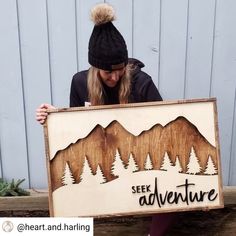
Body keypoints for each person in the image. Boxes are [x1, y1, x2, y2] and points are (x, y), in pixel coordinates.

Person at [36, 3, 175, 235]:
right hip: (100, 159)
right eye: (107, 72)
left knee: (175, 189)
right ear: (95, 67)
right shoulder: (80, 83)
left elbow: (162, 128)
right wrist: (54, 116)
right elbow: (77, 128)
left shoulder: (142, 83)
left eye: (119, 70)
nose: (114, 76)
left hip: (139, 158)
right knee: (69, 187)